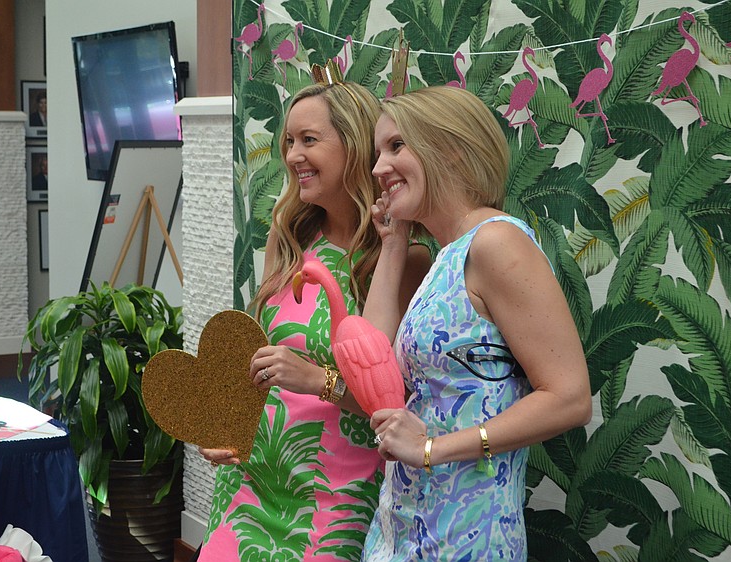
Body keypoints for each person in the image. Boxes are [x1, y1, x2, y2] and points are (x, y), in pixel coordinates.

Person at [195, 76, 431, 561]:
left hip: (337, 495)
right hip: (249, 483)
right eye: (288, 141)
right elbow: (257, 362)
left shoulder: (401, 260)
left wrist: (315, 379)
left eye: (309, 140)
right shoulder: (287, 243)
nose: (292, 155)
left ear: (354, 144)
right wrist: (222, 424)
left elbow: (399, 403)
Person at [361, 86, 592, 561]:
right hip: (402, 528)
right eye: (377, 151)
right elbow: (370, 357)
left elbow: (569, 398)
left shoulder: (496, 244)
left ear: (450, 148)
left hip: (468, 537)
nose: (378, 168)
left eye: (396, 146)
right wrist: (393, 243)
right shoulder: (447, 256)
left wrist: (432, 450)